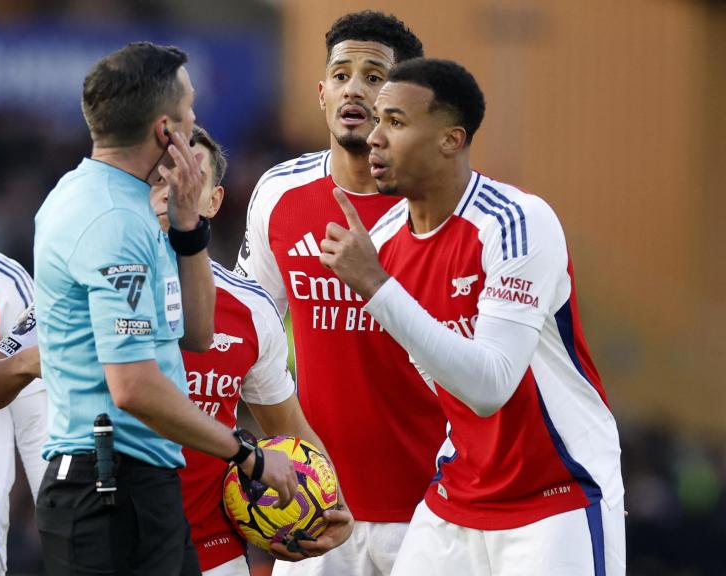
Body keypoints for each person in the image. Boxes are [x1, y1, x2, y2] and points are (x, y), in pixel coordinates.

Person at [320, 58, 625, 575]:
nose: (374, 137)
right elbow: (439, 377)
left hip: (556, 492)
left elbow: (489, 387)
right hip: (458, 493)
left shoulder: (517, 222)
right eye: (377, 122)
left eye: (395, 122)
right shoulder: (384, 243)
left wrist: (376, 286)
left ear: (451, 139)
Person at [33, 42, 297, 576]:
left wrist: (188, 228)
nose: (196, 119)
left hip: (140, 486)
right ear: (164, 130)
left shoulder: (120, 202)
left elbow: (196, 334)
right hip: (108, 491)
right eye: (189, 108)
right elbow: (133, 386)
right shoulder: (114, 220)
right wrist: (247, 454)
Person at [235, 11, 446, 575]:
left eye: (374, 77)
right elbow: (247, 335)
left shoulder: (440, 207)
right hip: (317, 510)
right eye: (341, 74)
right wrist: (279, 458)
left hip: (433, 511)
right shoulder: (279, 194)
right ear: (322, 93)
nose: (354, 88)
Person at [148, 126, 351, 575]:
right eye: (158, 178)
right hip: (109, 541)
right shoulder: (86, 288)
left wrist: (333, 503)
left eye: (190, 178)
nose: (172, 191)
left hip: (214, 551)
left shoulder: (251, 307)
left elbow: (288, 427)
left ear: (214, 201)